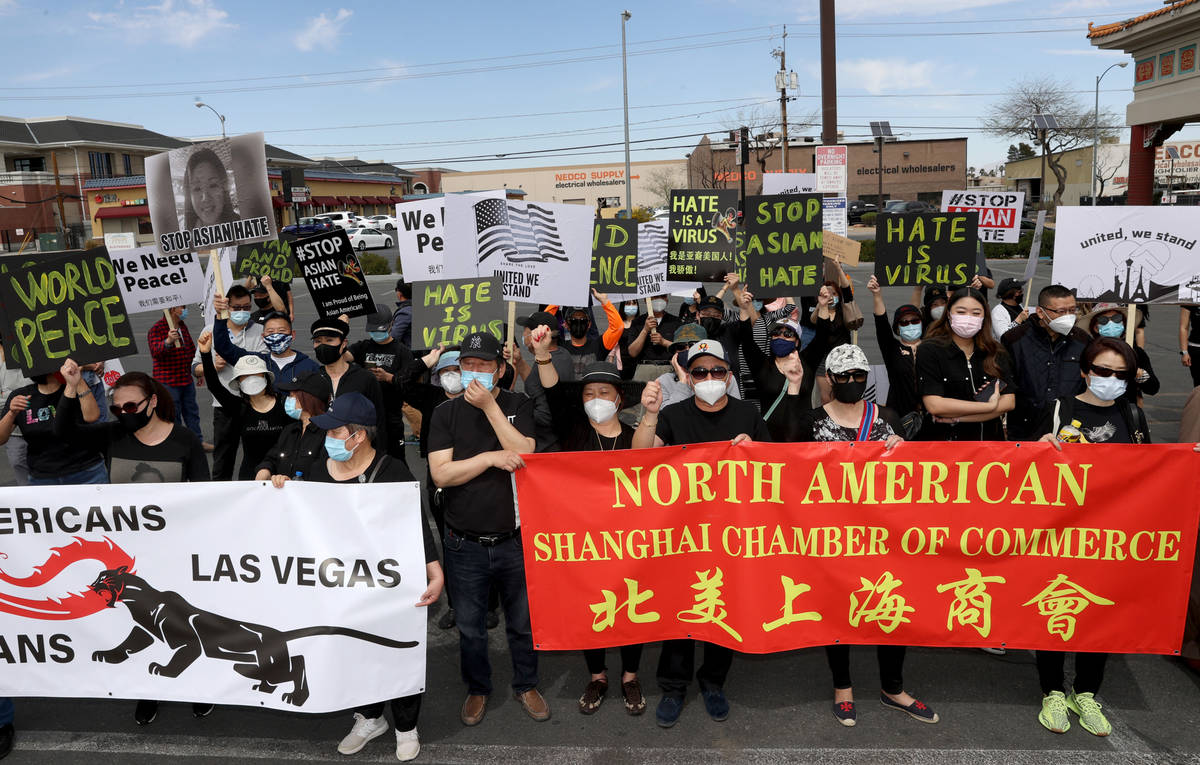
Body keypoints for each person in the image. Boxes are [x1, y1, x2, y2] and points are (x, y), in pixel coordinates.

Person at [776, 344, 937, 726]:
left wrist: (904, 452)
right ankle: (843, 686)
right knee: (838, 609)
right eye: (844, 376)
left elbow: (914, 474)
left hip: (885, 533)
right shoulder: (812, 420)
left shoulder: (888, 417)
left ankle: (893, 687)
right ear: (830, 379)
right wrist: (795, 386)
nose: (852, 382)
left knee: (892, 605)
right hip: (832, 535)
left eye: (859, 376)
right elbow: (781, 454)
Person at [53, 368, 211, 725]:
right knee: (141, 626)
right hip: (128, 557)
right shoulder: (112, 436)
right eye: (117, 408)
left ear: (152, 402)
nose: (123, 413)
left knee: (185, 625)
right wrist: (72, 387)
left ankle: (201, 688)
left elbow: (207, 494)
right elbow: (63, 432)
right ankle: (148, 689)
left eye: (131, 406)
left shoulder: (184, 440)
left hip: (176, 552)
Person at [633, 338, 771, 728]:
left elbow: (777, 469)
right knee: (681, 611)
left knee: (722, 610)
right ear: (689, 378)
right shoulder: (673, 414)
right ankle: (673, 687)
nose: (709, 377)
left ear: (729, 376)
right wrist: (649, 415)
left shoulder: (748, 414)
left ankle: (713, 683)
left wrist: (754, 449)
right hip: (683, 536)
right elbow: (639, 458)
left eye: (717, 371)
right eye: (699, 372)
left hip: (732, 537)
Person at [297, 393, 442, 762]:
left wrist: (433, 570)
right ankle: (370, 718)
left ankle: (406, 727)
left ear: (358, 436)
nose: (328, 438)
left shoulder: (393, 471)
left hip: (387, 585)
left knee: (395, 651)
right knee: (352, 652)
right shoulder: (318, 467)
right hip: (338, 586)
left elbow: (415, 526)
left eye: (336, 431)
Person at [427, 332, 547, 726]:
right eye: (466, 365)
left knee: (523, 622)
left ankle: (526, 683)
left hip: (515, 539)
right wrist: (491, 458)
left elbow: (526, 452)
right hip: (464, 543)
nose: (473, 373)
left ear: (500, 369)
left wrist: (492, 409)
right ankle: (478, 689)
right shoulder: (445, 413)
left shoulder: (517, 404)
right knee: (471, 627)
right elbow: (441, 472)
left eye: (482, 365)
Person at [1032, 338, 1148, 737]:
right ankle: (1052, 691)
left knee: (1099, 616)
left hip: (1109, 538)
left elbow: (1149, 471)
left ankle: (1086, 693)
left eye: (1121, 374)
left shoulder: (1131, 414)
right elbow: (1024, 467)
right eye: (1102, 371)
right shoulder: (1059, 408)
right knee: (1054, 609)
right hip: (1058, 534)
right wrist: (1041, 447)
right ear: (1084, 370)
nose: (1110, 380)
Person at [532, 326, 648, 716]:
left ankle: (630, 676)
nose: (596, 399)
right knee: (593, 606)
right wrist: (543, 356)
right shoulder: (574, 431)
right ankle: (597, 675)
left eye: (604, 393)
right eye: (588, 393)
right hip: (586, 541)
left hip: (631, 540)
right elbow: (551, 392)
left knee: (634, 607)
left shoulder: (635, 435)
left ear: (619, 399)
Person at [916, 287, 1015, 441]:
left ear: (984, 317)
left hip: (990, 446)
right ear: (948, 314)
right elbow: (935, 405)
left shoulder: (996, 351)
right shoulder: (930, 350)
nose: (968, 318)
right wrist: (988, 407)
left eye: (976, 313)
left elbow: (1008, 402)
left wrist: (958, 418)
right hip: (944, 446)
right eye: (961, 312)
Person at [194, 285, 265, 481]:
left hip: (254, 405)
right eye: (236, 308)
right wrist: (212, 366)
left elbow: (262, 362)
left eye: (246, 307)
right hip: (224, 406)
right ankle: (220, 493)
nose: (242, 312)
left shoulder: (260, 331)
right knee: (223, 459)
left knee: (256, 456)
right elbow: (195, 368)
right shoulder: (210, 330)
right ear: (226, 307)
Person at [198, 332, 291, 480]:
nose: (251, 379)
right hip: (250, 475)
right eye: (245, 376)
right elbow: (215, 386)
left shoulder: (285, 404)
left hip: (282, 475)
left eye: (256, 374)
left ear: (266, 377)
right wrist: (205, 353)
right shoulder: (238, 407)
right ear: (238, 382)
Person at [1002, 285, 1089, 441]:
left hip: (1070, 430)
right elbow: (1005, 383)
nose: (1069, 316)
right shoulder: (1014, 339)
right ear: (1041, 312)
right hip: (1025, 429)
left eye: (1072, 310)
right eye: (1061, 312)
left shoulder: (1082, 340)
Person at [0, 360, 105, 485]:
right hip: (43, 478)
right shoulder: (20, 395)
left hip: (86, 472)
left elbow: (92, 416)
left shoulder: (73, 387)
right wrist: (12, 413)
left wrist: (78, 380)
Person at [348, 307, 415, 463]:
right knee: (368, 458)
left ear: (391, 325)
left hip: (391, 415)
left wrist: (388, 377)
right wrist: (342, 329)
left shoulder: (402, 351)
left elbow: (409, 383)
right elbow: (343, 357)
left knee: (395, 459)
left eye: (380, 330)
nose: (376, 334)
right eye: (373, 331)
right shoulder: (363, 347)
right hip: (367, 416)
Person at [310, 317, 389, 445]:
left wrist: (378, 453)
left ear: (343, 343)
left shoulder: (365, 379)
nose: (323, 346)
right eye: (318, 341)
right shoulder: (311, 379)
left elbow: (378, 421)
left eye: (329, 340)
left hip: (358, 449)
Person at [212, 299, 320, 382]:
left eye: (281, 330)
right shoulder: (256, 362)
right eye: (270, 331)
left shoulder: (309, 367)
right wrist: (220, 316)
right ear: (263, 337)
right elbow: (223, 347)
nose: (276, 335)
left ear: (292, 335)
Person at [866, 275, 924, 425]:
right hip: (899, 417)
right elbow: (881, 323)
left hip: (930, 417)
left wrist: (919, 288)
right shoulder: (892, 349)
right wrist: (877, 294)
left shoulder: (933, 347)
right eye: (904, 322)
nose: (910, 325)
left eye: (915, 321)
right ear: (897, 328)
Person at [254, 371, 331, 484]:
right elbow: (272, 459)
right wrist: (265, 470)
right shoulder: (289, 430)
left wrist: (293, 483)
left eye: (291, 396)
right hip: (283, 497)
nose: (287, 400)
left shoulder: (329, 433)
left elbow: (324, 475)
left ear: (307, 398)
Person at [148, 303, 204, 443]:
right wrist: (168, 341)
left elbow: (190, 350)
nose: (185, 311)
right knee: (173, 415)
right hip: (168, 381)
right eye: (183, 307)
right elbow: (155, 351)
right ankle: (177, 445)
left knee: (192, 413)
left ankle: (197, 442)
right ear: (173, 309)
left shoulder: (182, 326)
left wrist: (197, 371)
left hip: (185, 379)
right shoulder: (157, 328)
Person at [1082, 303, 1159, 399]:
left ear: (1123, 323)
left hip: (1124, 409)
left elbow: (1153, 388)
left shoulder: (1135, 352)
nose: (1111, 323)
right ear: (1095, 328)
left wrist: (1139, 374)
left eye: (1116, 318)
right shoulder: (1086, 351)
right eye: (1103, 320)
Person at [553, 288, 623, 378]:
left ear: (589, 324)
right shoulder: (559, 347)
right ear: (566, 324)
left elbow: (618, 327)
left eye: (582, 319)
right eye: (574, 319)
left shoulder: (599, 346)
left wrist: (605, 301)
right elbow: (543, 325)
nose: (578, 321)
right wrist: (556, 300)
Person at [624, 294, 682, 381]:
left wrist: (664, 342)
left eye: (663, 296)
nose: (659, 300)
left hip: (668, 369)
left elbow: (682, 349)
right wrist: (645, 330)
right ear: (646, 300)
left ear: (667, 299)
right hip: (644, 369)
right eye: (655, 297)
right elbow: (632, 352)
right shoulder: (638, 322)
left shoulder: (676, 321)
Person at [0, 335, 30, 485]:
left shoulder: (37, 353)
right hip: (14, 430)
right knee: (18, 462)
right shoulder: (2, 358)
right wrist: (11, 409)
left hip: (41, 424)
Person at [183, 147, 236, 230]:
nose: (205, 198)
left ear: (223, 188)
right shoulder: (186, 239)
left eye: (213, 185)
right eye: (197, 188)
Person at [1180, 304, 1200, 389]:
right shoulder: (1191, 298)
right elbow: (1183, 327)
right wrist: (1185, 352)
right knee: (1198, 387)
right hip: (1196, 349)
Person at [391, 278, 413, 347]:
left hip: (412, 354)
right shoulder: (423, 306)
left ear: (399, 293)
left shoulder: (405, 313)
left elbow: (393, 338)